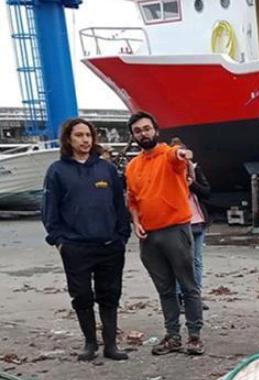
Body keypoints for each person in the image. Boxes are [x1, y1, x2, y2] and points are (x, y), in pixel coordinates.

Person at [41, 118, 131, 361]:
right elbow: (50, 209)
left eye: (88, 135)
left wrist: (122, 235)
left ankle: (110, 344)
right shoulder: (57, 171)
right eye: (79, 135)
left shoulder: (107, 169)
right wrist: (58, 240)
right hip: (75, 246)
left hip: (109, 245)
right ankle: (90, 343)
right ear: (68, 139)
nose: (85, 140)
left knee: (110, 294)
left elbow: (119, 206)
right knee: (81, 295)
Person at [124, 111, 205, 356]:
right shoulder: (133, 166)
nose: (143, 134)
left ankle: (194, 336)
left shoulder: (169, 156)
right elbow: (133, 200)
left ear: (156, 131)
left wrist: (183, 154)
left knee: (188, 285)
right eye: (138, 131)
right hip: (149, 235)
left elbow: (177, 156)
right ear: (133, 136)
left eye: (147, 129)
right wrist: (136, 223)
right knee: (165, 289)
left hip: (175, 229)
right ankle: (173, 336)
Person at [170, 138, 212, 312]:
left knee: (197, 262)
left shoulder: (195, 170)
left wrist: (191, 184)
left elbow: (207, 192)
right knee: (181, 262)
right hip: (180, 223)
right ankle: (180, 298)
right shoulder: (169, 173)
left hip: (198, 222)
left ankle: (195, 297)